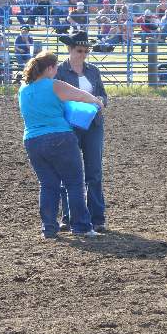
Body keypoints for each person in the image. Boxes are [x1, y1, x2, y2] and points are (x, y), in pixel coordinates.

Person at [18, 51, 103, 239]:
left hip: (32, 140)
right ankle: (81, 226)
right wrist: (97, 101)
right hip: (60, 137)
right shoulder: (54, 85)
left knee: (48, 184)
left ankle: (49, 228)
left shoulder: (24, 89)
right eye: (55, 67)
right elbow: (81, 96)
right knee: (74, 183)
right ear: (49, 68)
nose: (57, 70)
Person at [55, 30, 108, 233]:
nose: (83, 54)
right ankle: (69, 217)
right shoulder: (59, 72)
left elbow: (102, 93)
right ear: (70, 49)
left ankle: (97, 217)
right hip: (69, 125)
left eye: (86, 50)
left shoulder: (93, 71)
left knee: (94, 172)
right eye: (80, 50)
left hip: (93, 124)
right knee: (68, 171)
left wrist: (102, 101)